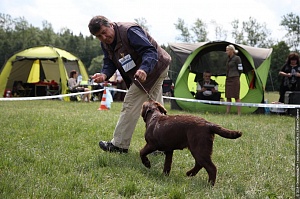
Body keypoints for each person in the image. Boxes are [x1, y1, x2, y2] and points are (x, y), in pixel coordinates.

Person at [88, 15, 171, 153]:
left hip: (155, 66)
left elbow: (149, 51)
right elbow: (109, 62)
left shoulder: (129, 31)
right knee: (155, 108)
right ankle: (162, 146)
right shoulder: (105, 44)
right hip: (149, 69)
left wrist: (144, 69)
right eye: (99, 36)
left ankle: (119, 145)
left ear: (110, 25)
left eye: (104, 32)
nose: (103, 37)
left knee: (130, 103)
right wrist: (103, 75)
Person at [225, 45, 243, 115]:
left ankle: (239, 113)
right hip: (228, 78)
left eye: (227, 50)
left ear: (232, 50)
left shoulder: (237, 58)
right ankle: (227, 112)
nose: (226, 52)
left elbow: (240, 69)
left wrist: (237, 76)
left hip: (235, 78)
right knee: (228, 96)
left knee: (236, 96)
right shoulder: (228, 59)